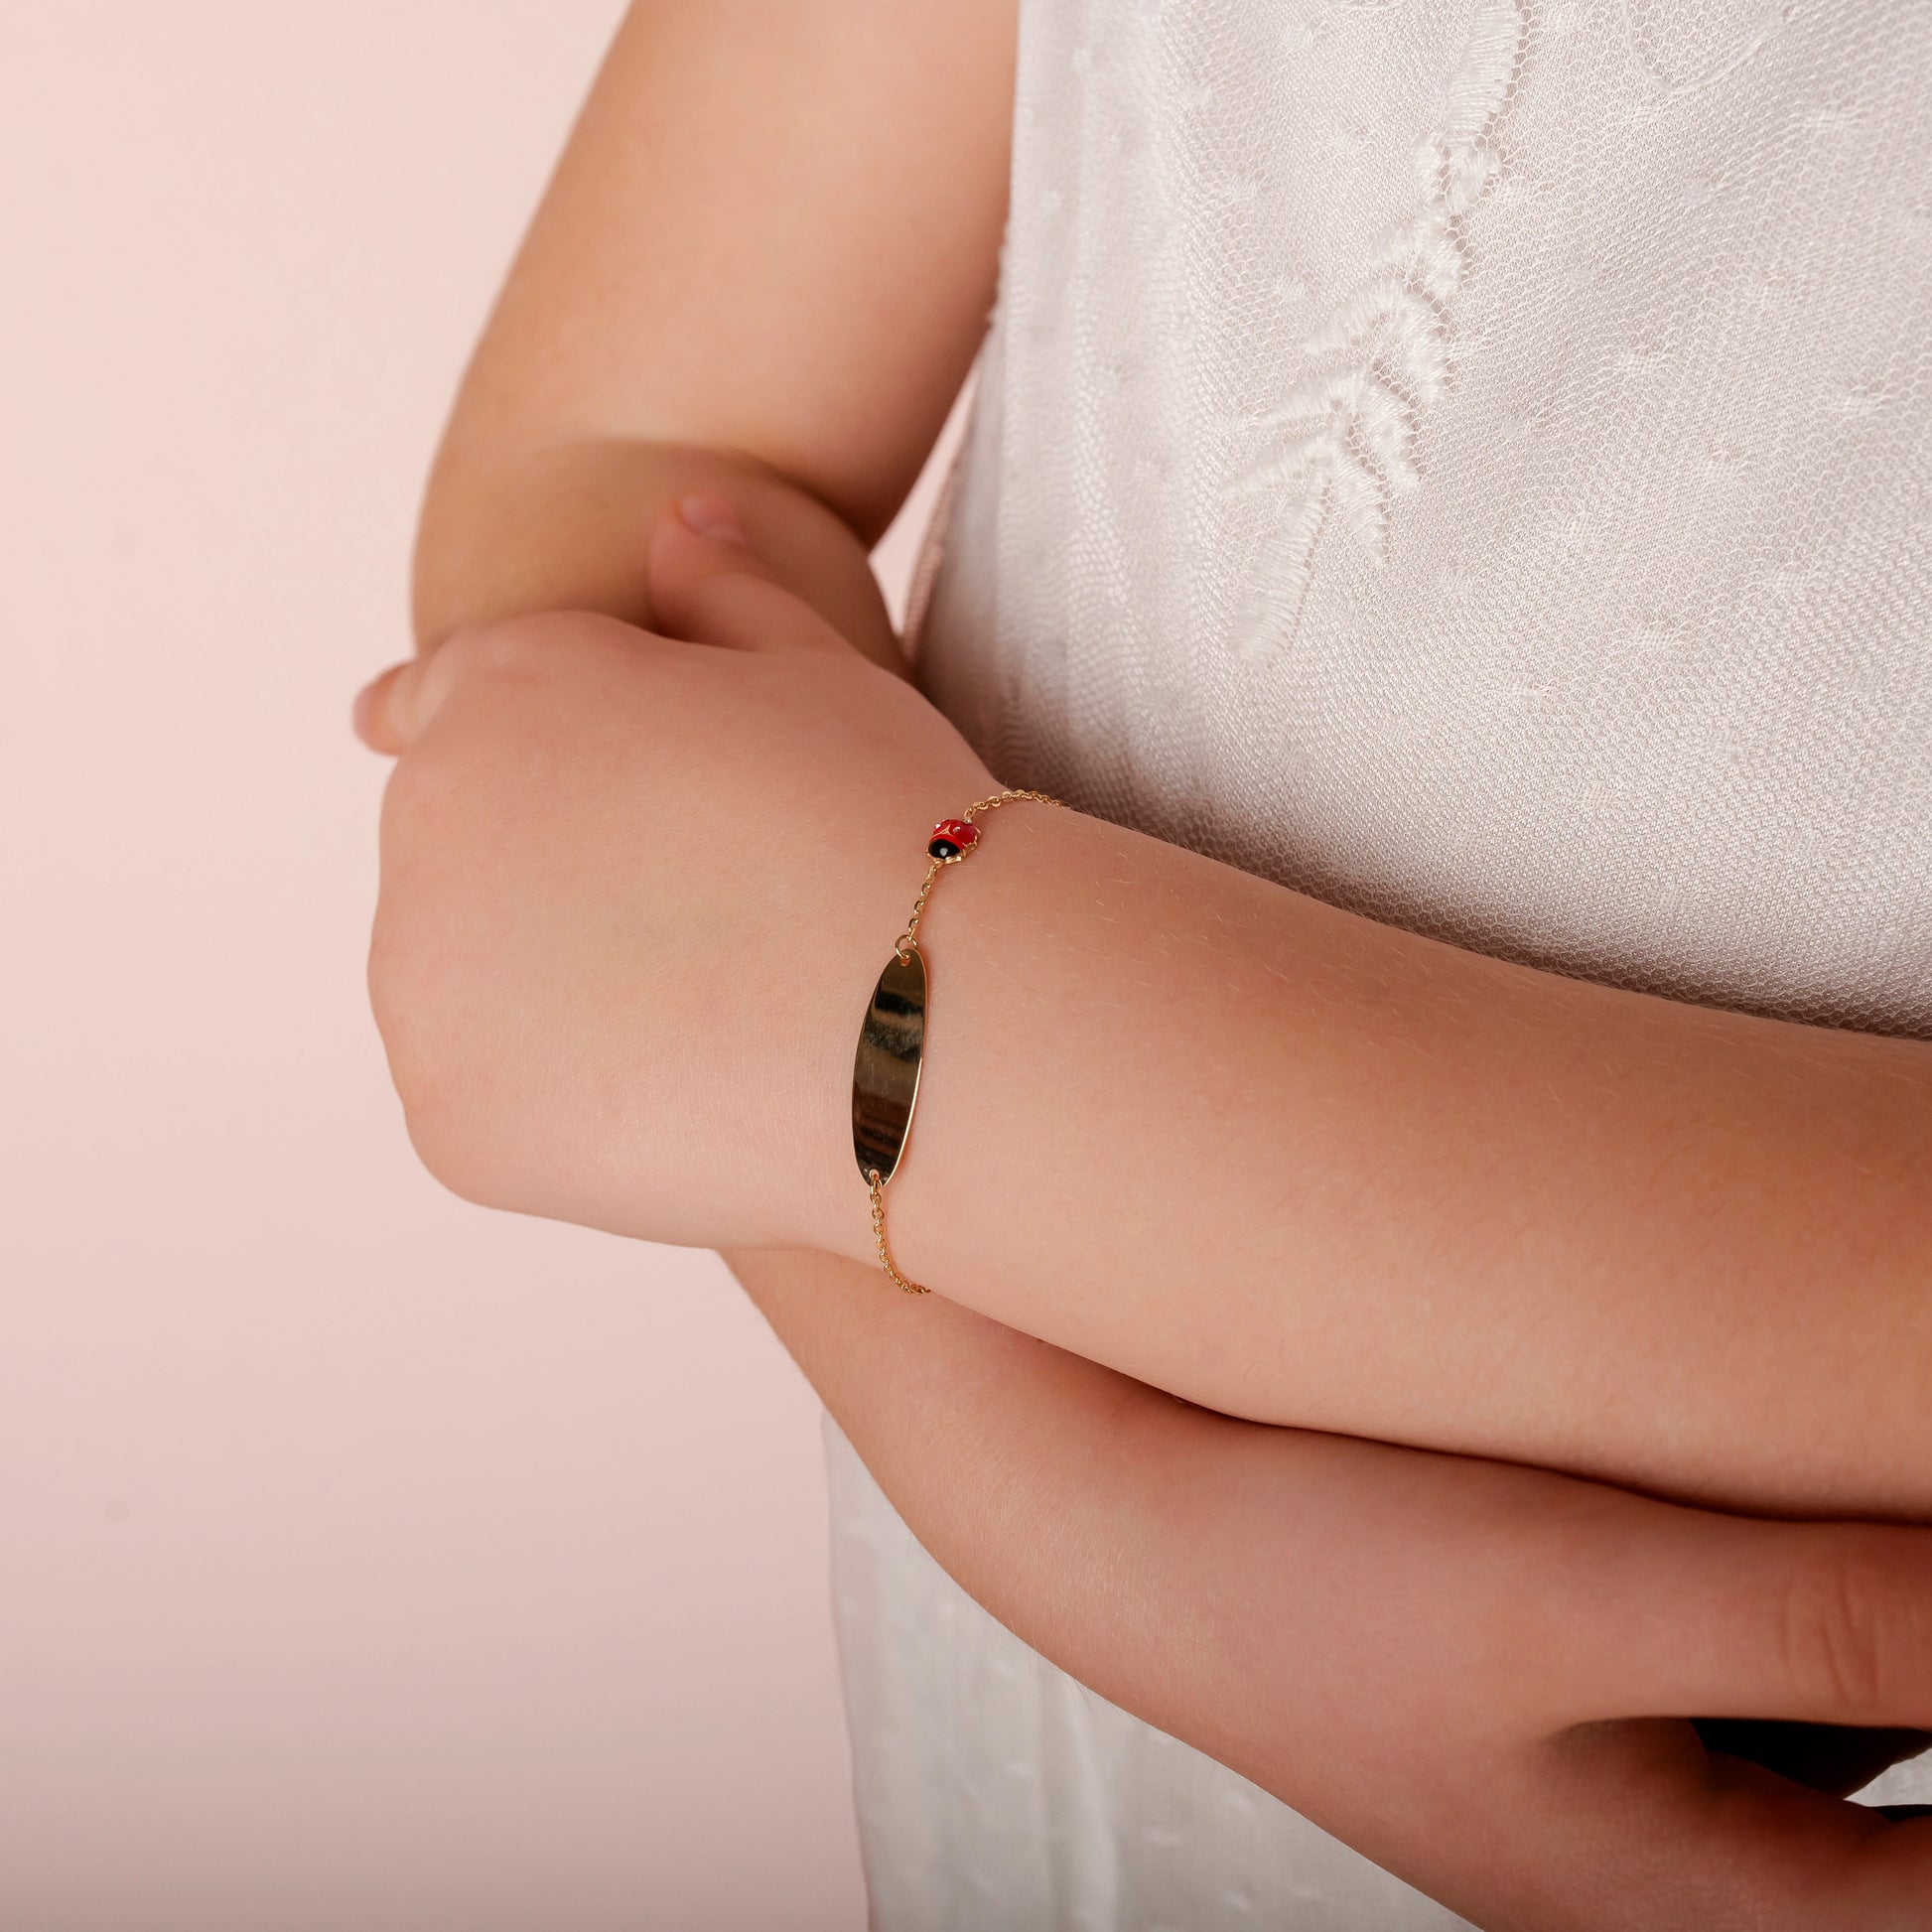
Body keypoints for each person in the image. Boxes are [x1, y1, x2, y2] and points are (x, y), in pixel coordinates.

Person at [352, 1, 1932, 1922]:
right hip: (1023, 1633)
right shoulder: (1047, 1519)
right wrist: (1063, 1506)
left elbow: (694, 944)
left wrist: (871, 1048)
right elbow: (644, 475)